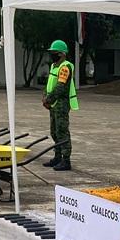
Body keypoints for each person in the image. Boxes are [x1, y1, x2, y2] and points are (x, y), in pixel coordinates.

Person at [42, 40, 78, 171]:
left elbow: (60, 87)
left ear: (62, 54)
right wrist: (45, 97)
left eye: (54, 53)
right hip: (53, 103)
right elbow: (50, 84)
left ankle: (66, 160)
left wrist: (48, 99)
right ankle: (57, 157)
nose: (52, 55)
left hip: (61, 103)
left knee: (62, 131)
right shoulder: (54, 66)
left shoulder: (65, 67)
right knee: (54, 131)